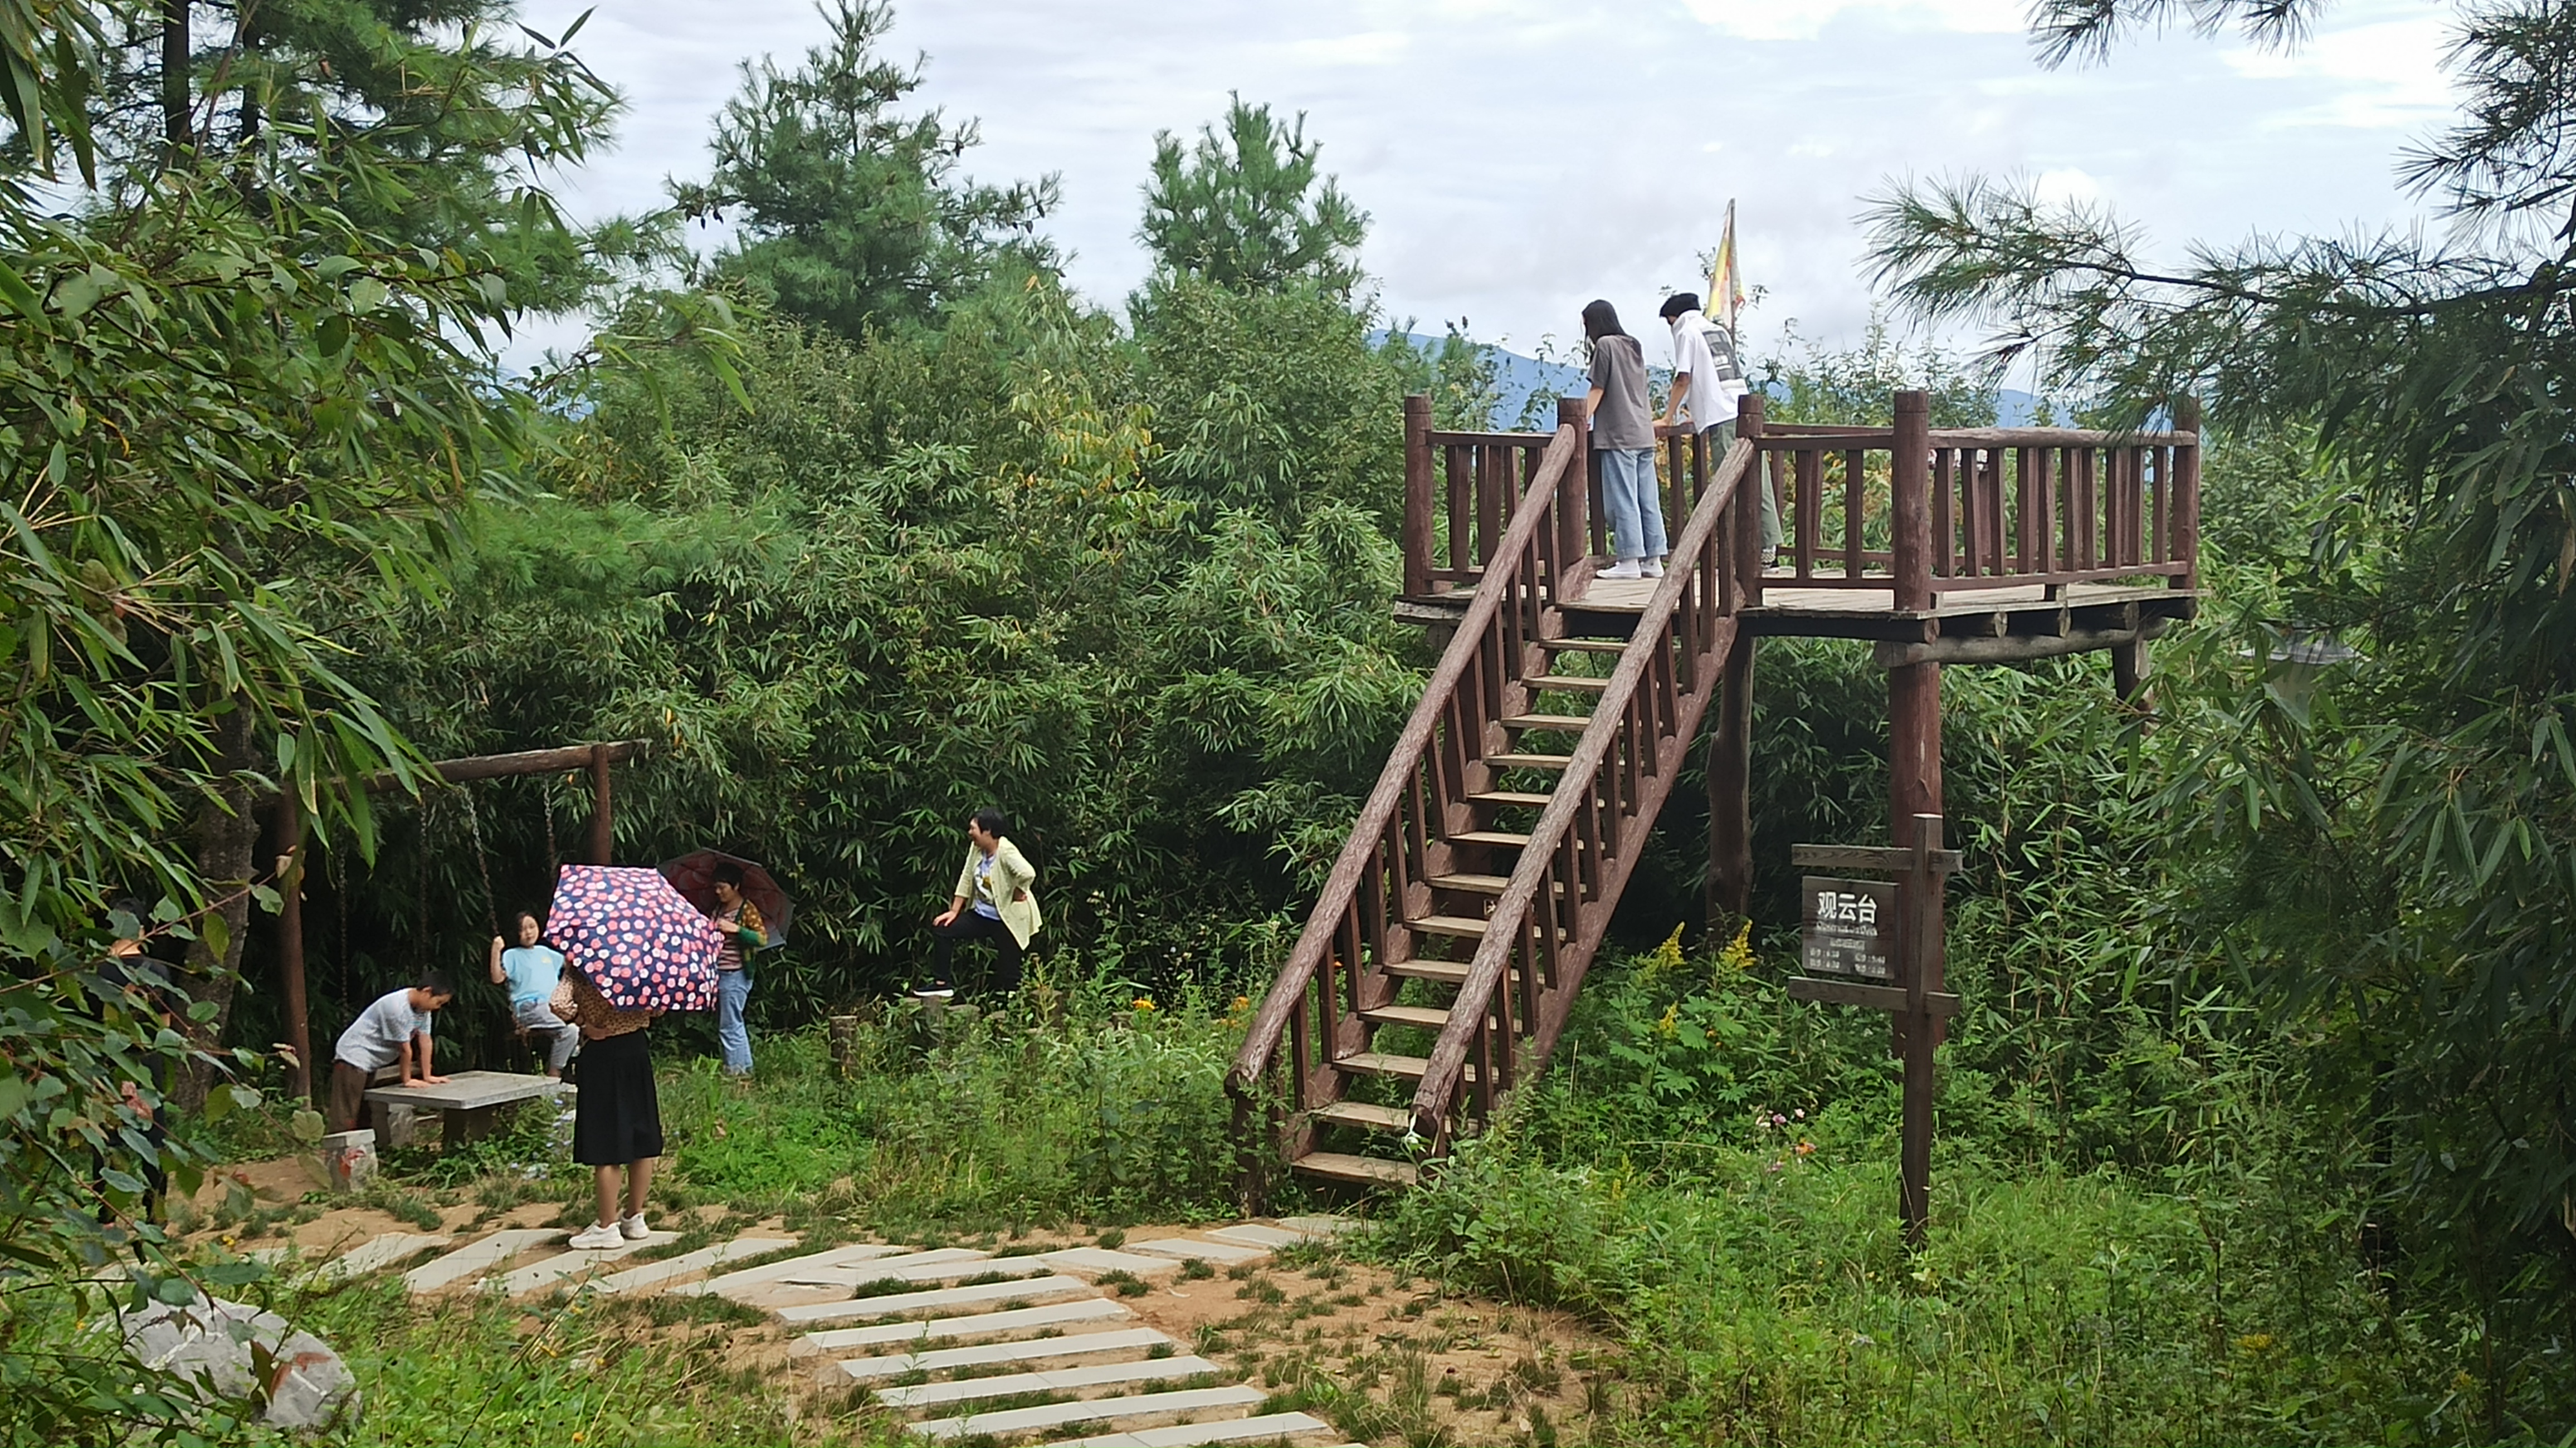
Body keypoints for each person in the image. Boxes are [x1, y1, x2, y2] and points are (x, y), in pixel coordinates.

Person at [1657, 291, 1782, 566]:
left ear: (1675, 317)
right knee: (1758, 480)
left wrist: (1668, 417)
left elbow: (1683, 378)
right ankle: (1769, 548)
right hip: (1744, 411)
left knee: (1730, 484)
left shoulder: (1686, 332)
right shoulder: (1718, 330)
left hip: (1722, 418)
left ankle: (1745, 552)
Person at [550, 963, 661, 1248]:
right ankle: (635, 1216)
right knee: (641, 1135)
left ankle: (606, 1226)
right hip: (637, 1052)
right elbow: (658, 1007)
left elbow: (558, 1003)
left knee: (606, 1139)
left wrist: (583, 1022)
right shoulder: (642, 963)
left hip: (602, 1051)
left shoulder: (583, 965)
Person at [1582, 299, 1665, 580]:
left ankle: (1629, 560)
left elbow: (1598, 388)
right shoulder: (1633, 344)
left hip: (1619, 434)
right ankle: (1653, 560)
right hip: (1643, 432)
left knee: (1624, 499)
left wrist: (1581, 418)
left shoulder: (1605, 345)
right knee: (1648, 499)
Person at [929, 808, 1040, 996]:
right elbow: (966, 876)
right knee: (943, 929)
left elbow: (1028, 873)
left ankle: (1014, 1006)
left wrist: (1019, 891)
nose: (970, 832)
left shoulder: (1006, 852)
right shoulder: (976, 848)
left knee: (1010, 974)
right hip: (982, 915)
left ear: (987, 831)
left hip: (1008, 918)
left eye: (973, 828)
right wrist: (954, 911)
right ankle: (942, 984)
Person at [328, 972, 455, 1134]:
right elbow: (405, 1049)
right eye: (439, 1002)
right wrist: (407, 1080)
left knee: (366, 1110)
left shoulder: (422, 1010)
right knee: (346, 1111)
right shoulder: (397, 1008)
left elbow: (425, 1040)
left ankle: (365, 1148)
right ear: (427, 992)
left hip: (372, 1061)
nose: (438, 1007)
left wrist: (428, 1076)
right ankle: (339, 1147)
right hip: (354, 1056)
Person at [488, 909, 575, 1079]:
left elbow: (570, 964)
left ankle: (569, 1069)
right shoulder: (512, 955)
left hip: (555, 1006)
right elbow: (497, 978)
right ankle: (554, 1074)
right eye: (522, 929)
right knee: (567, 1032)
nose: (528, 932)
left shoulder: (545, 952)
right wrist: (496, 950)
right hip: (531, 1007)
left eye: (532, 927)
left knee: (577, 1029)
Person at [706, 863, 766, 1079]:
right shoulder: (719, 909)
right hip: (720, 973)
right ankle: (742, 1069)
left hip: (736, 974)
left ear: (736, 886)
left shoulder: (747, 909)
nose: (718, 892)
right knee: (731, 1022)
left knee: (730, 1025)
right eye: (716, 887)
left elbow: (762, 939)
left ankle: (737, 1072)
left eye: (722, 887)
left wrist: (737, 930)